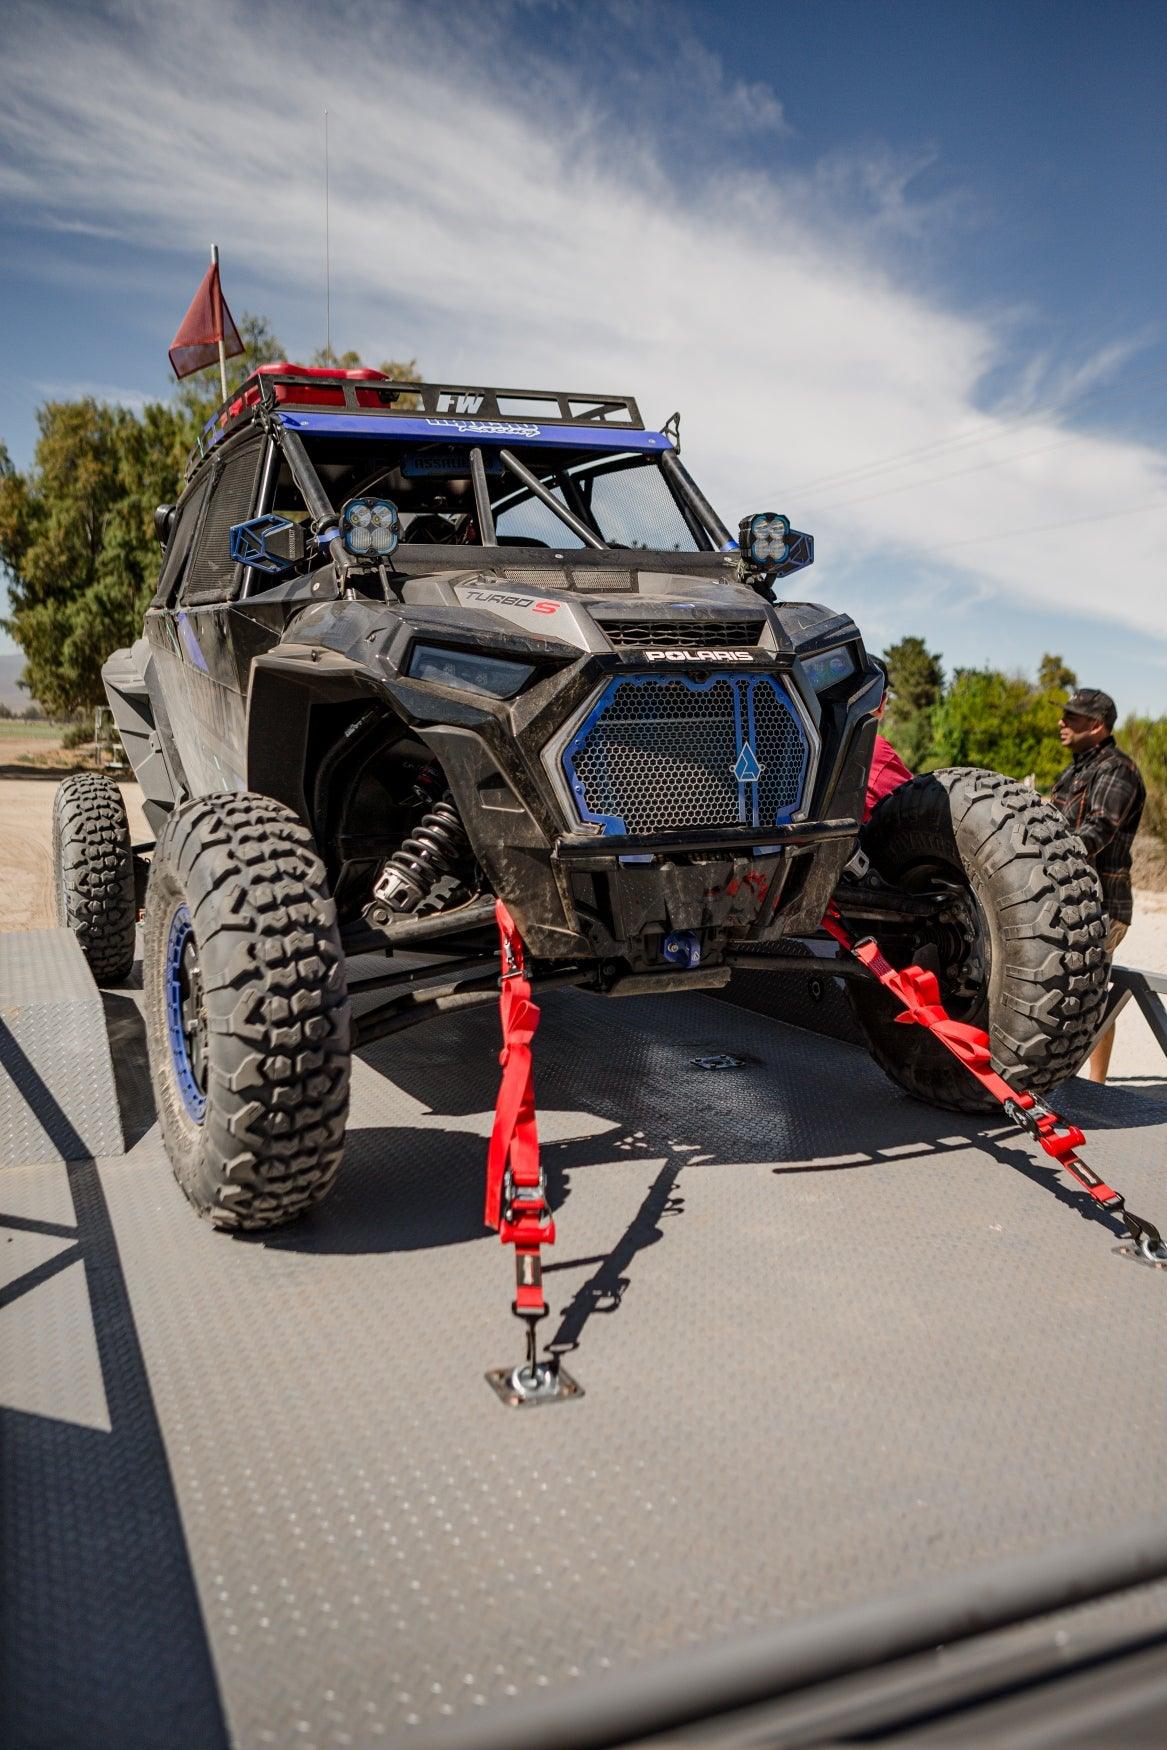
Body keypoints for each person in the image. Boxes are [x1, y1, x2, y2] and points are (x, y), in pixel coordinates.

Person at [1049, 688, 1146, 1084]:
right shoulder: (1074, 769)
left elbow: (1100, 829)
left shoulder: (1117, 769)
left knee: (1090, 993)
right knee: (1069, 988)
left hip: (1104, 902)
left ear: (1096, 725)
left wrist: (1050, 852)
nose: (1062, 722)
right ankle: (1065, 1074)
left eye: (1071, 716)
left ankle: (1097, 1084)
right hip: (1071, 898)